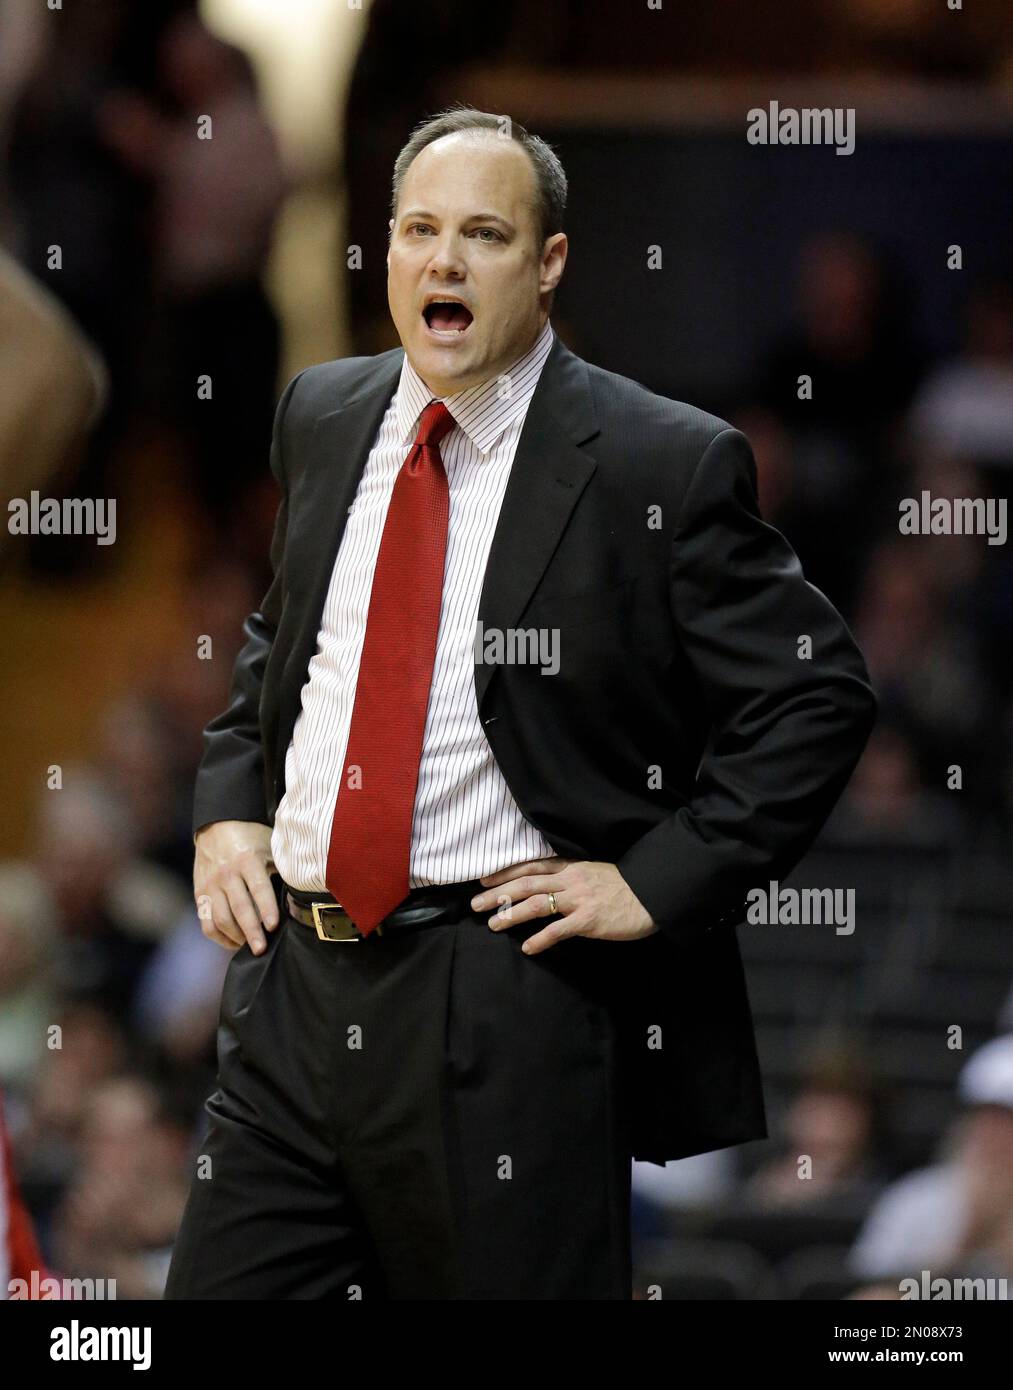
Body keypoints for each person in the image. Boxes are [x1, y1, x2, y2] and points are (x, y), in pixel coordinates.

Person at [164, 105, 877, 1301]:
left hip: (503, 1000)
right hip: (289, 991)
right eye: (418, 230)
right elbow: (284, 640)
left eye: (482, 235)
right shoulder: (322, 412)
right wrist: (230, 801)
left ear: (547, 263)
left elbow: (816, 692)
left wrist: (655, 876)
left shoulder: (657, 460)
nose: (441, 262)